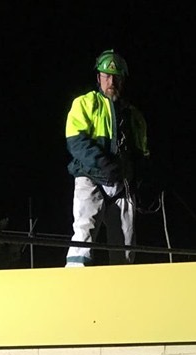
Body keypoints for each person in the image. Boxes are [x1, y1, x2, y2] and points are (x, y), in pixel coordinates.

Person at [64, 49, 149, 267]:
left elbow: (142, 154)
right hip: (90, 178)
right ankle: (75, 278)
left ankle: (123, 284)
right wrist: (104, 164)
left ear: (123, 80)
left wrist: (141, 178)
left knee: (126, 244)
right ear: (98, 77)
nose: (111, 82)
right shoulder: (84, 103)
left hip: (122, 185)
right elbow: (76, 142)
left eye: (116, 77)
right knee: (83, 233)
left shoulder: (134, 115)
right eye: (107, 76)